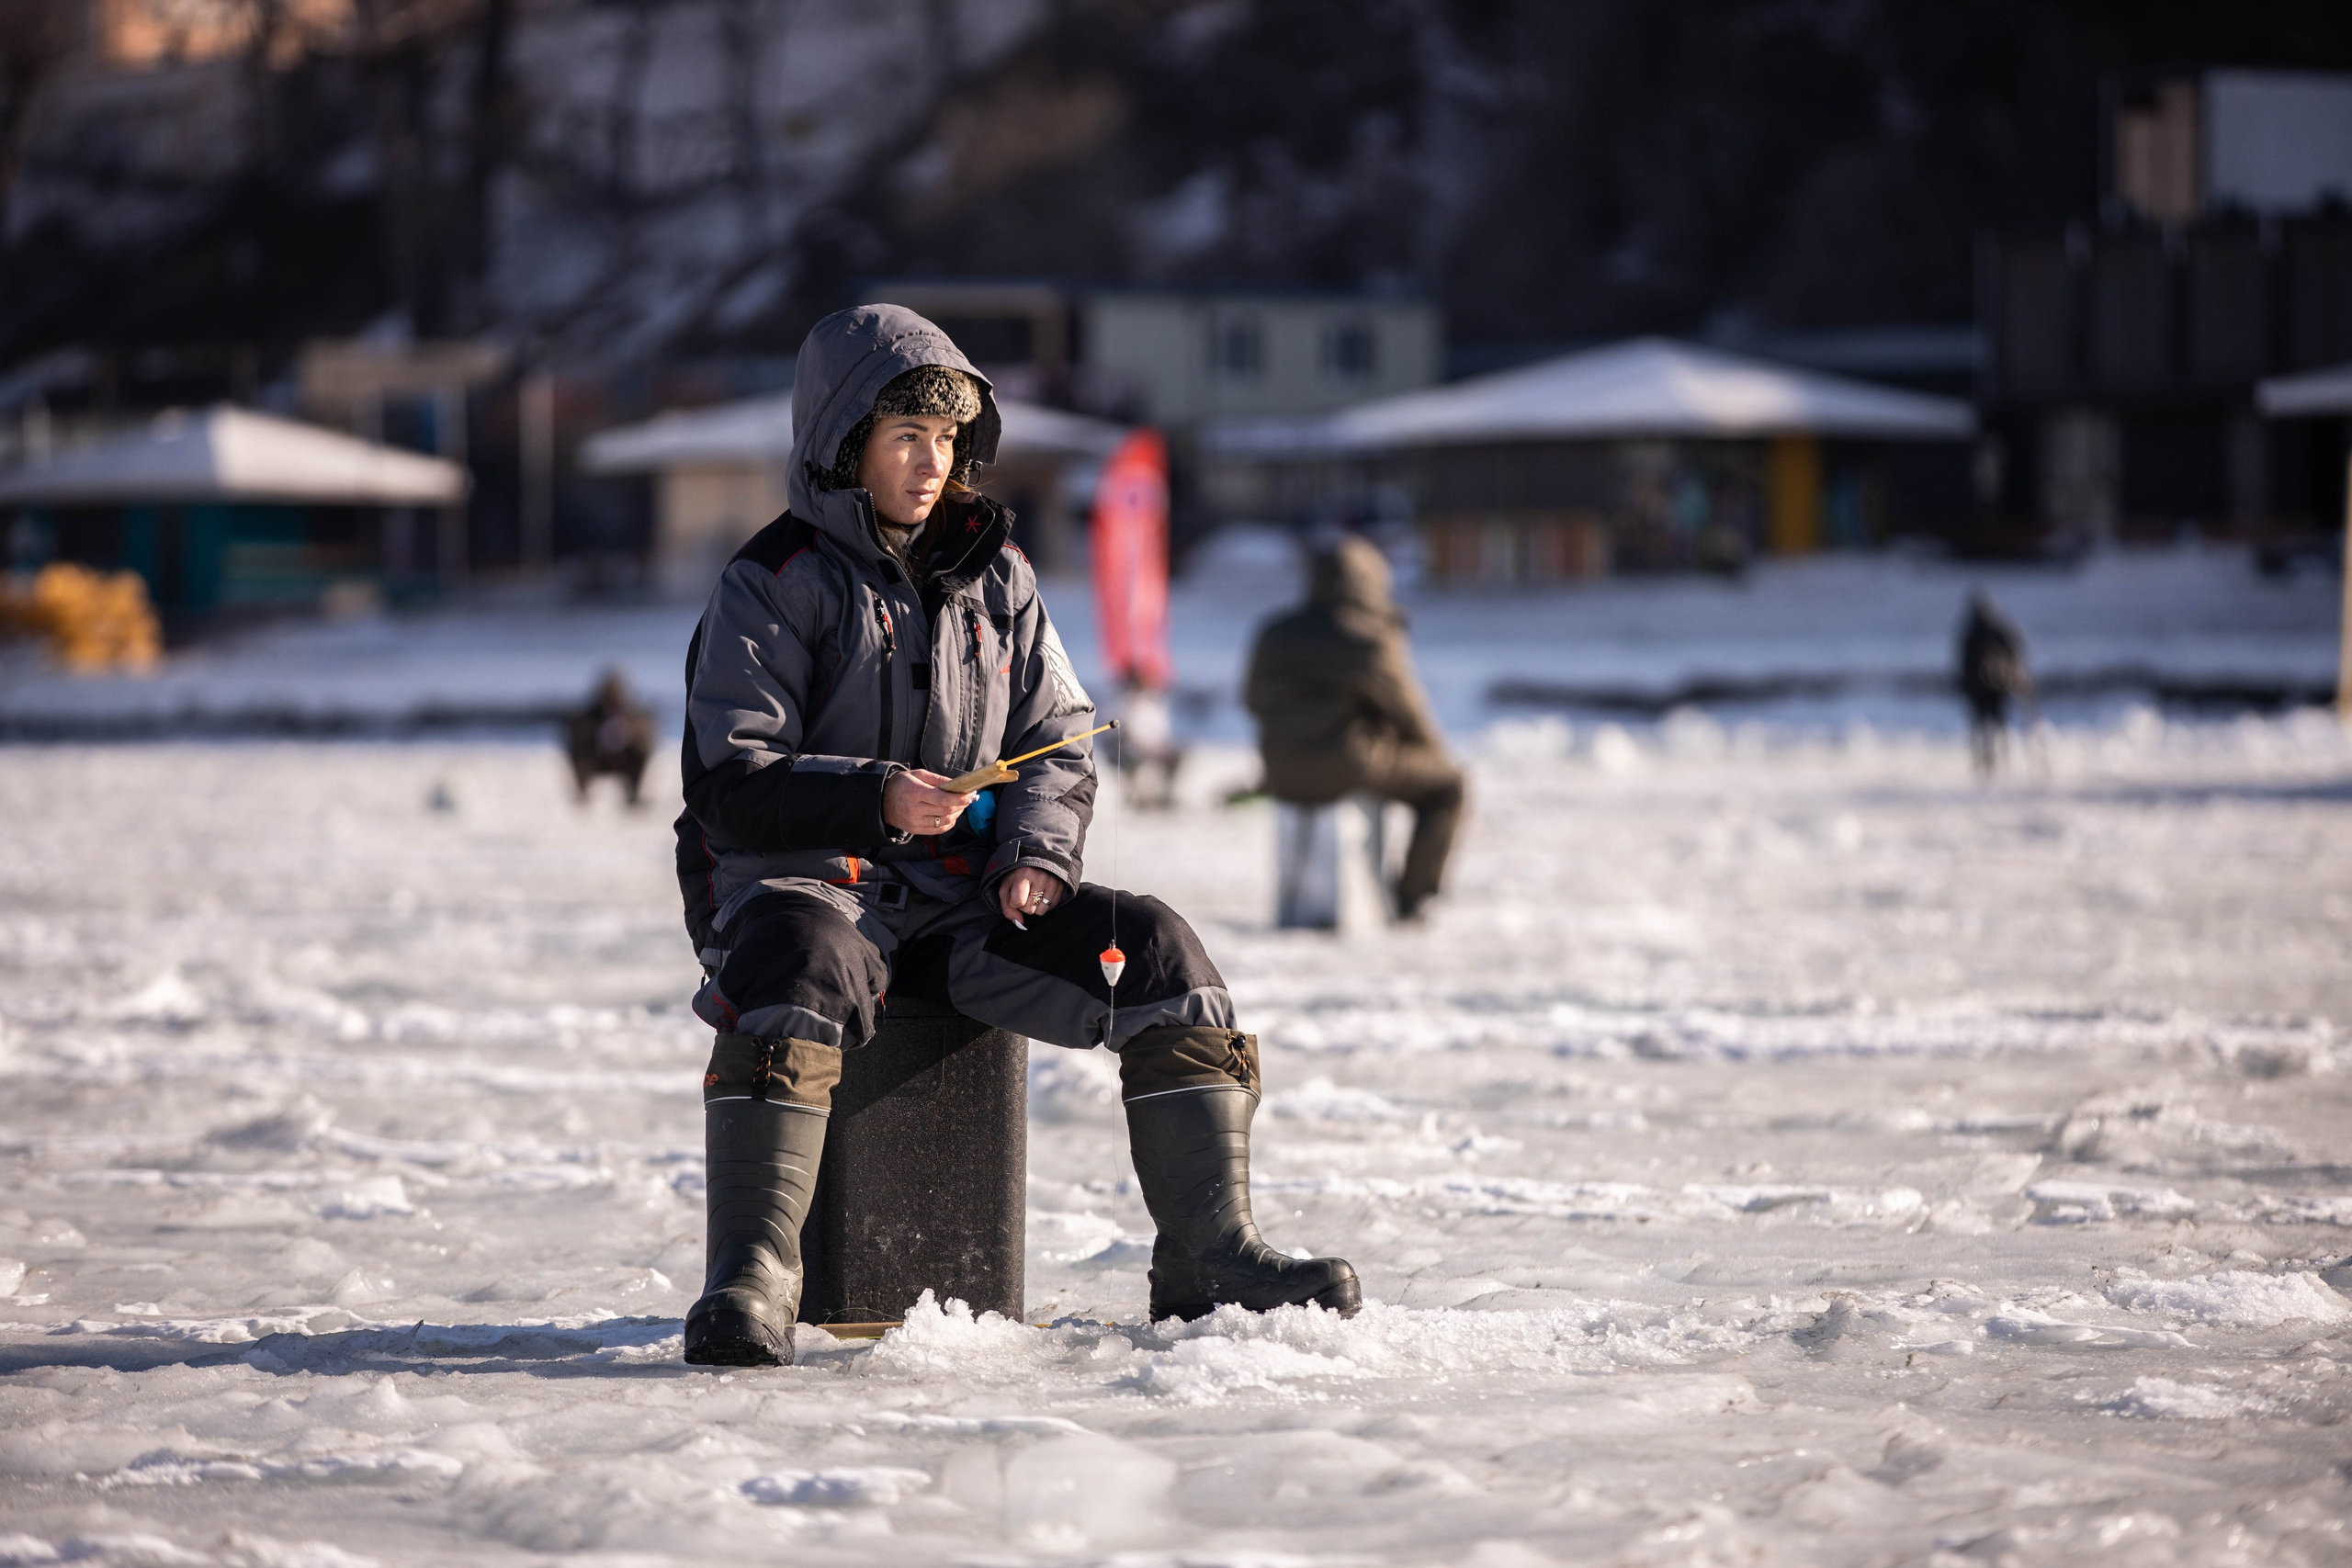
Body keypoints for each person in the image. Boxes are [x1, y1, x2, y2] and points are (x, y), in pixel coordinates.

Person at [670, 304, 1359, 1367]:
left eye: (946, 440)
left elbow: (1060, 746)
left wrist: (1036, 853)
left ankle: (1208, 1256)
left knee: (1162, 953)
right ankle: (755, 1277)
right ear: (841, 444)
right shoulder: (769, 583)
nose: (930, 463)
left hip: (960, 904)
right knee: (800, 956)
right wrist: (878, 797)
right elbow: (728, 781)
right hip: (801, 895)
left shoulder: (1003, 580)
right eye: (905, 438)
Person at [1244, 536, 1464, 920]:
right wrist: (1433, 754)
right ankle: (1413, 900)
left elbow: (1252, 700)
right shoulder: (1368, 636)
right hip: (1347, 767)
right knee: (1448, 786)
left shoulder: (1274, 631)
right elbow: (1408, 713)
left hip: (1280, 772)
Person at [1957, 591, 2031, 776]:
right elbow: (2015, 652)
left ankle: (1991, 759)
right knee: (1995, 725)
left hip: (1987, 688)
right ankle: (1996, 758)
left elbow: (1963, 664)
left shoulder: (1973, 633)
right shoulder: (1995, 629)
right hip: (1994, 687)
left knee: (1985, 725)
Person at [565, 669, 655, 806]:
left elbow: (648, 733)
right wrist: (597, 735)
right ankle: (582, 792)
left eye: (615, 697)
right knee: (578, 749)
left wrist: (628, 733)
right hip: (597, 758)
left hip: (625, 759)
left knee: (642, 749)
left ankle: (633, 794)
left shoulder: (632, 715)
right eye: (609, 696)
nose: (612, 700)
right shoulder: (590, 716)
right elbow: (573, 731)